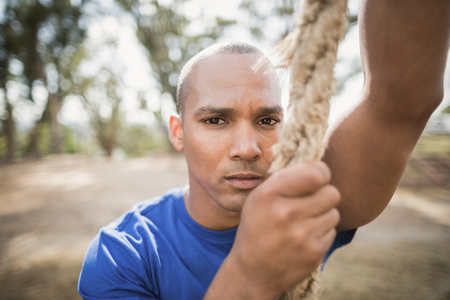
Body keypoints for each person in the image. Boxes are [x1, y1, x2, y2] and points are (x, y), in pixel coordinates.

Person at [78, 0, 450, 299]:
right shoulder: (123, 255)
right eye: (216, 120)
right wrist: (250, 273)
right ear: (178, 132)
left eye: (267, 121)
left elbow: (401, 98)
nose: (248, 148)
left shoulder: (302, 203)